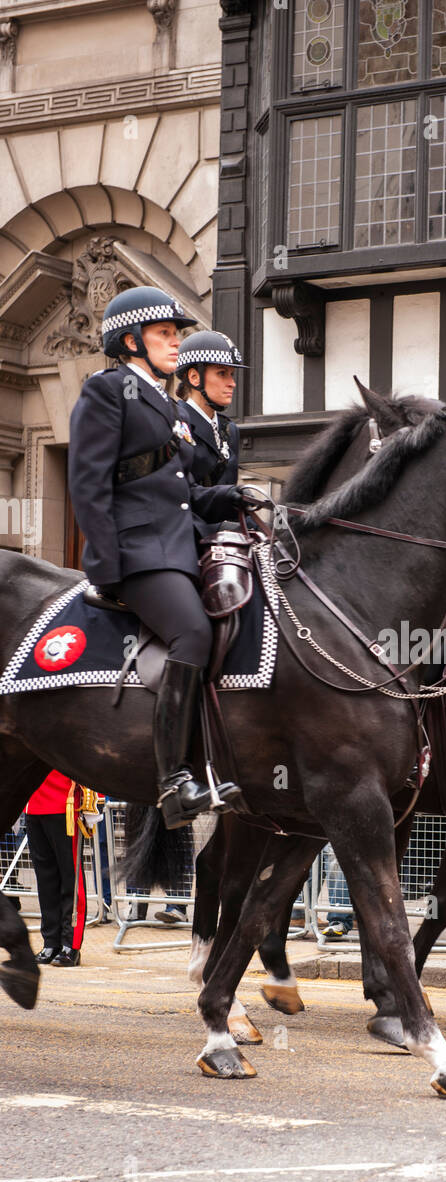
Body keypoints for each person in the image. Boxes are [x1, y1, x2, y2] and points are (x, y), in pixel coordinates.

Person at [67, 287, 260, 829]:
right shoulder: (108, 391)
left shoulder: (167, 403)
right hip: (138, 552)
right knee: (193, 634)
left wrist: (233, 497)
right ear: (131, 341)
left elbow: (178, 490)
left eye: (178, 334)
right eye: (165, 334)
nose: (177, 343)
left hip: (175, 543)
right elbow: (88, 484)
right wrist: (106, 566)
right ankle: (173, 780)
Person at [26, 770, 100, 966]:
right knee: (45, 881)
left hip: (64, 803)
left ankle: (70, 943)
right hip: (33, 804)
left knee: (70, 878)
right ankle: (51, 941)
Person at [176, 332, 245, 531]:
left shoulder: (230, 430)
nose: (232, 383)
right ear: (195, 377)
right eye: (222, 373)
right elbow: (177, 499)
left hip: (225, 542)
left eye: (231, 374)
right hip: (187, 539)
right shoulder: (174, 423)